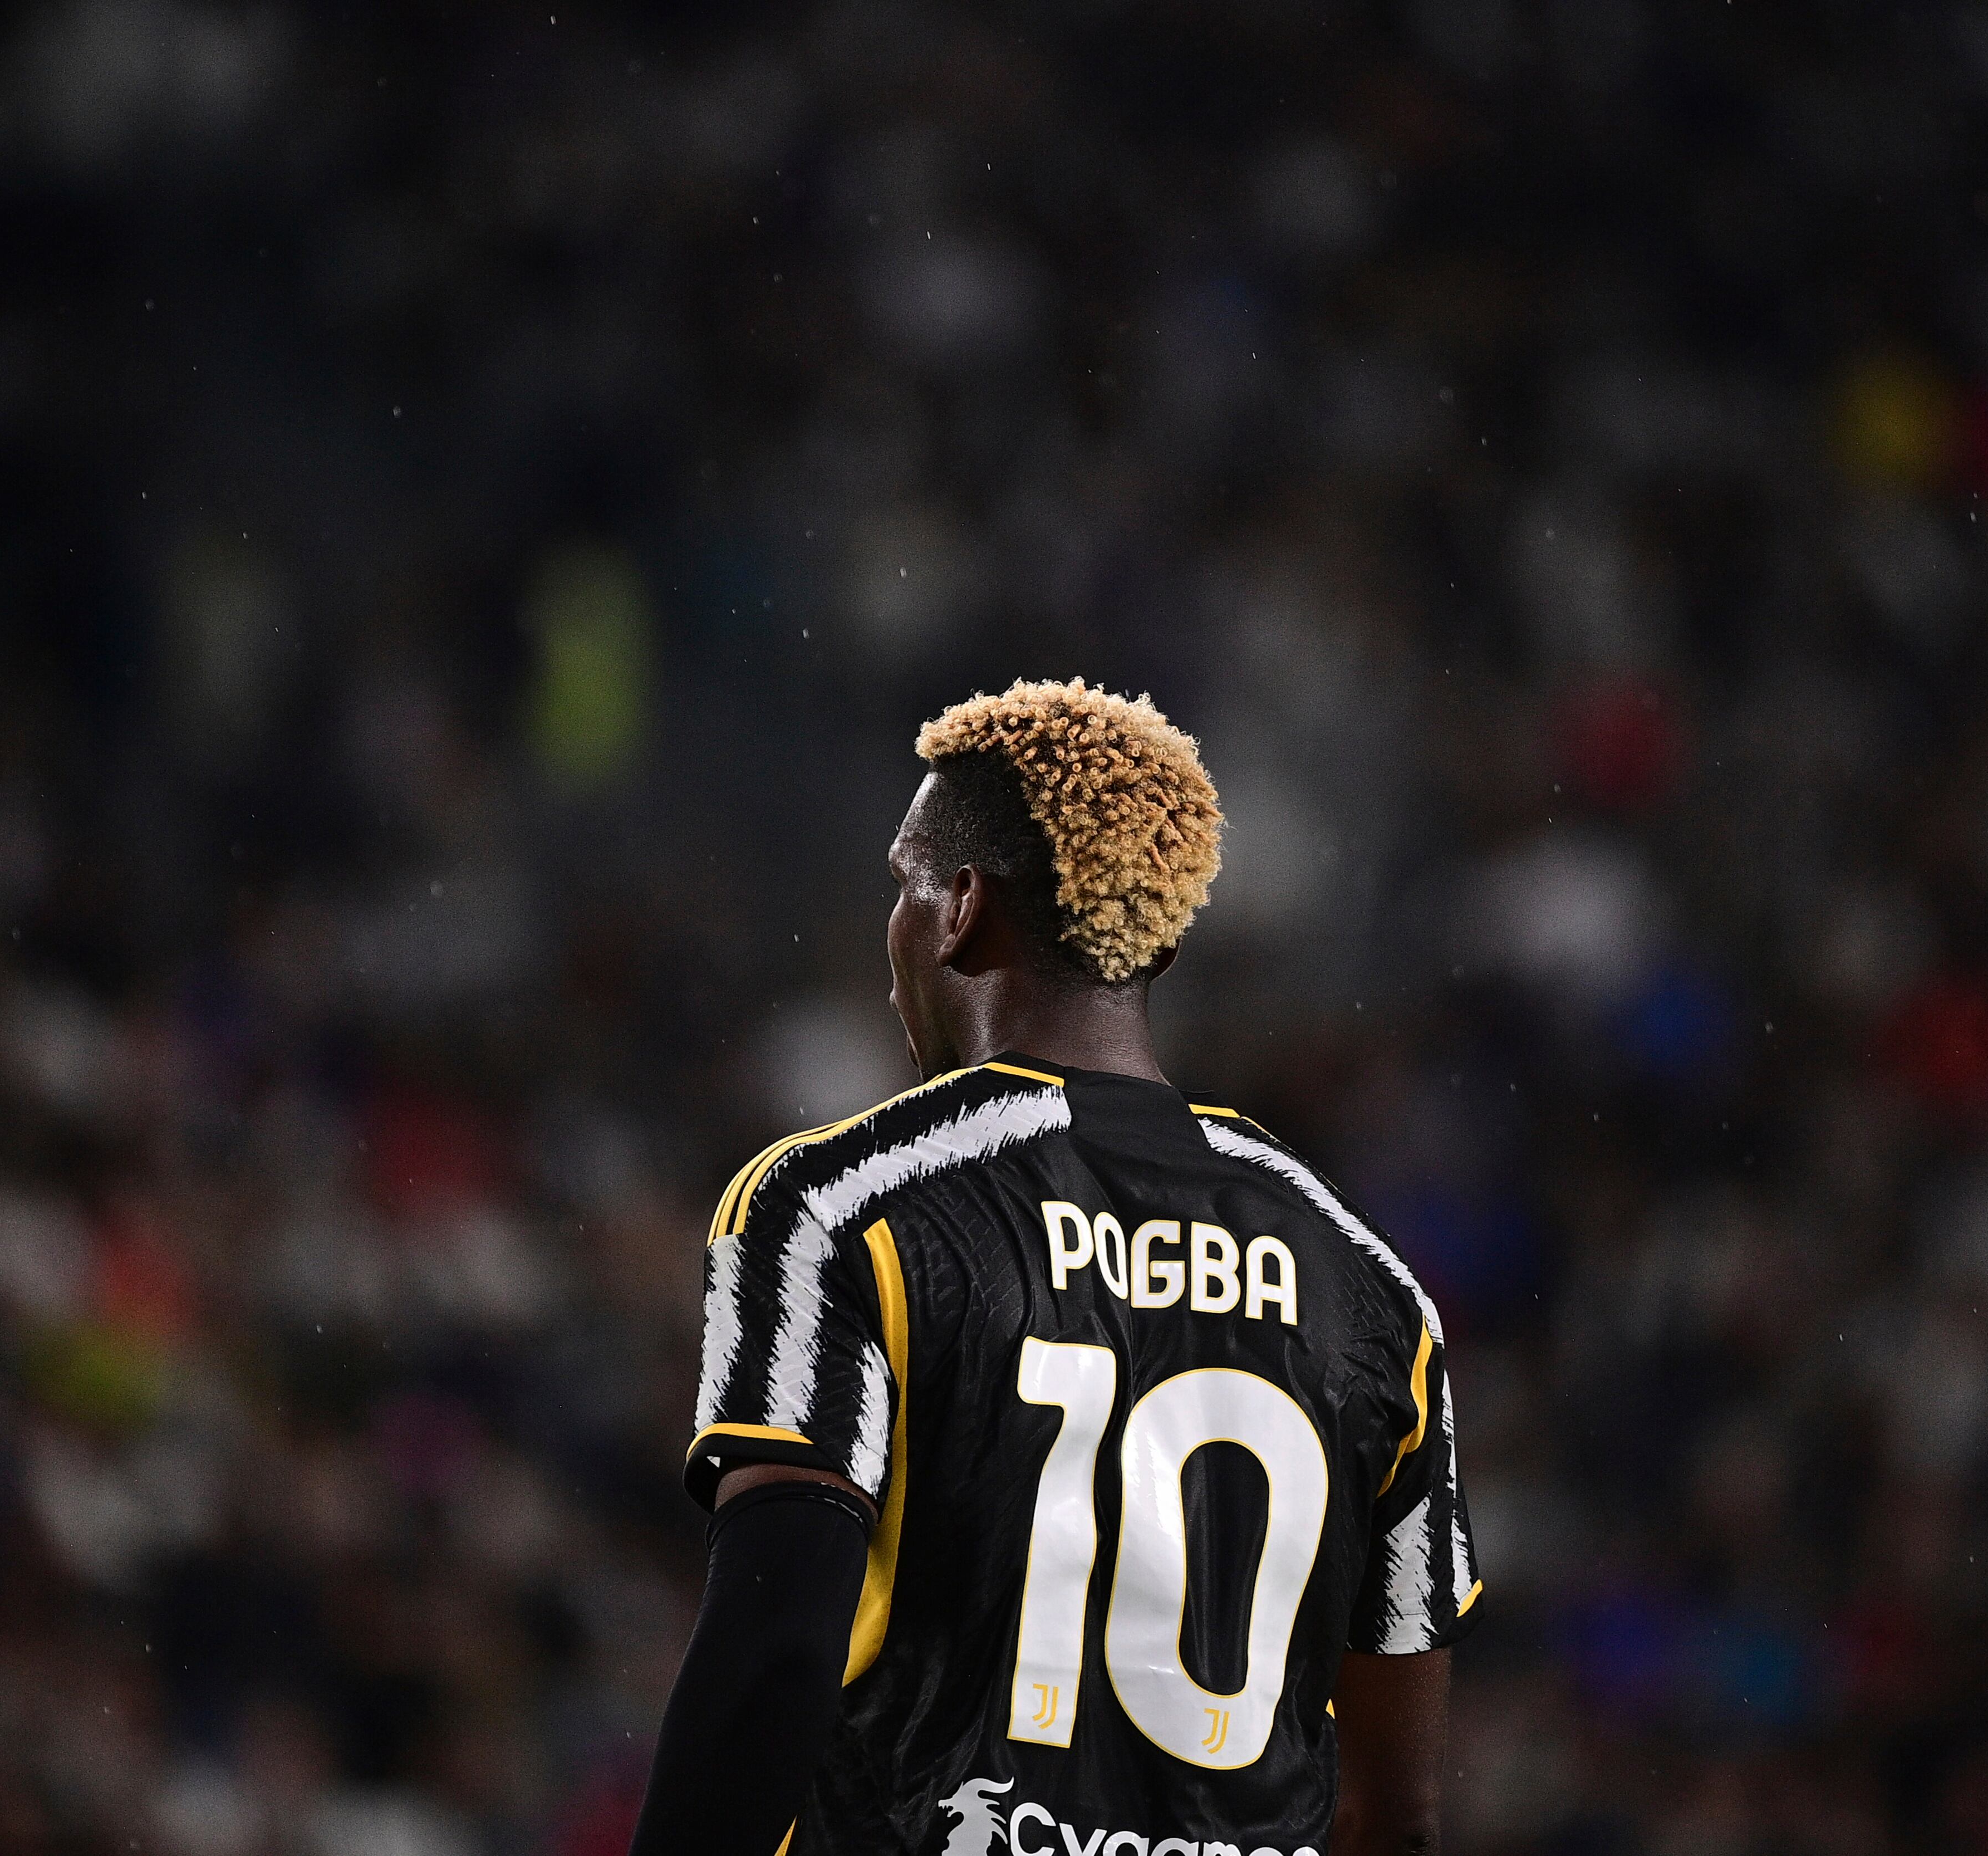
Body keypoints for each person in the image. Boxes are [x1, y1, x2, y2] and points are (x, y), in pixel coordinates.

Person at [630, 680, 1479, 1856]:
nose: (891, 938)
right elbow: (1392, 1811)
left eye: (902, 884)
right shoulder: (1372, 1284)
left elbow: (774, 1652)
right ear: (1158, 943)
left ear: (962, 906)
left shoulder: (845, 1206)